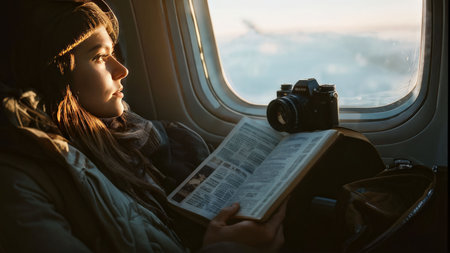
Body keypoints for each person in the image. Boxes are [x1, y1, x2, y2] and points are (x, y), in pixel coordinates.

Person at [0, 1, 286, 252]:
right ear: (54, 78)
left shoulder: (127, 140)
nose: (122, 70)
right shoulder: (16, 183)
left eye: (114, 53)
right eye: (99, 57)